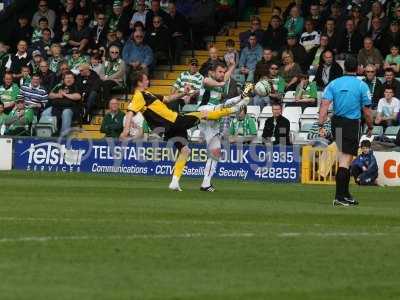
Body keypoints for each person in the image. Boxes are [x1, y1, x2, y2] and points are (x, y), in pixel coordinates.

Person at [120, 72, 252, 192]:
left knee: (185, 151)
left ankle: (174, 182)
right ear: (139, 82)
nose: (148, 80)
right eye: (145, 78)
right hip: (173, 121)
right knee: (203, 114)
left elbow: (167, 99)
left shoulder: (148, 95)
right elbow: (130, 111)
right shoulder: (139, 96)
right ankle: (236, 108)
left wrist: (183, 93)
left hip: (168, 128)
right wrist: (125, 131)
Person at [319, 56, 373, 206]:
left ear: (344, 68)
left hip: (337, 123)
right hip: (351, 124)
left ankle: (345, 194)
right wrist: (370, 126)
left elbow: (324, 106)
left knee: (345, 159)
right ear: (357, 69)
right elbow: (367, 111)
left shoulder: (333, 83)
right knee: (345, 160)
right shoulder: (362, 86)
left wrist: (321, 125)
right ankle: (339, 197)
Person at [197, 60, 238, 192]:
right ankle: (240, 100)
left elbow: (226, 76)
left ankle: (206, 183)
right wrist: (221, 83)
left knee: (215, 152)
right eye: (219, 72)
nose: (222, 74)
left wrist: (232, 66)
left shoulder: (220, 79)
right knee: (223, 106)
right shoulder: (208, 81)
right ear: (212, 72)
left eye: (223, 72)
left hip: (213, 119)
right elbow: (205, 81)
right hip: (205, 111)